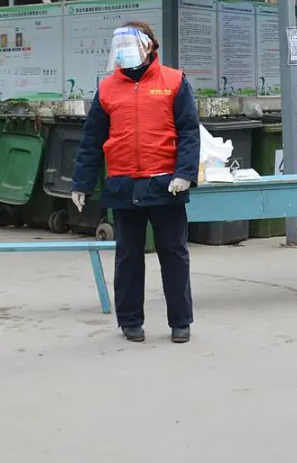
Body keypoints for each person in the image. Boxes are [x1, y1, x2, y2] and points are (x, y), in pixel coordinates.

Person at [70, 22, 200, 344]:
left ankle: (180, 321)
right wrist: (81, 183)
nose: (125, 53)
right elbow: (91, 140)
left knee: (174, 253)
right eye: (121, 48)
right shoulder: (107, 89)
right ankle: (130, 321)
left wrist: (185, 173)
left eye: (131, 46)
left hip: (165, 183)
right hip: (123, 184)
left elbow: (189, 130)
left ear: (150, 47)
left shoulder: (174, 81)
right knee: (128, 256)